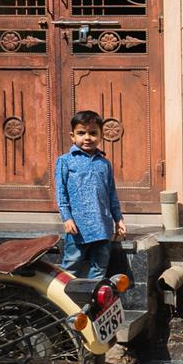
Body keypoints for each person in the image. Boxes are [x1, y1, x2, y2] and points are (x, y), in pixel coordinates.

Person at [55, 110, 126, 280]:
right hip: (78, 227)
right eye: (81, 133)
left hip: (103, 226)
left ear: (101, 135)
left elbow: (111, 193)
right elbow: (60, 192)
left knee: (100, 267)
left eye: (93, 133)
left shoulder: (104, 163)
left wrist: (118, 219)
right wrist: (67, 218)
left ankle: (92, 302)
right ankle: (65, 303)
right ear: (73, 136)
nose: (87, 137)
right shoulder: (65, 161)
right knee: (71, 266)